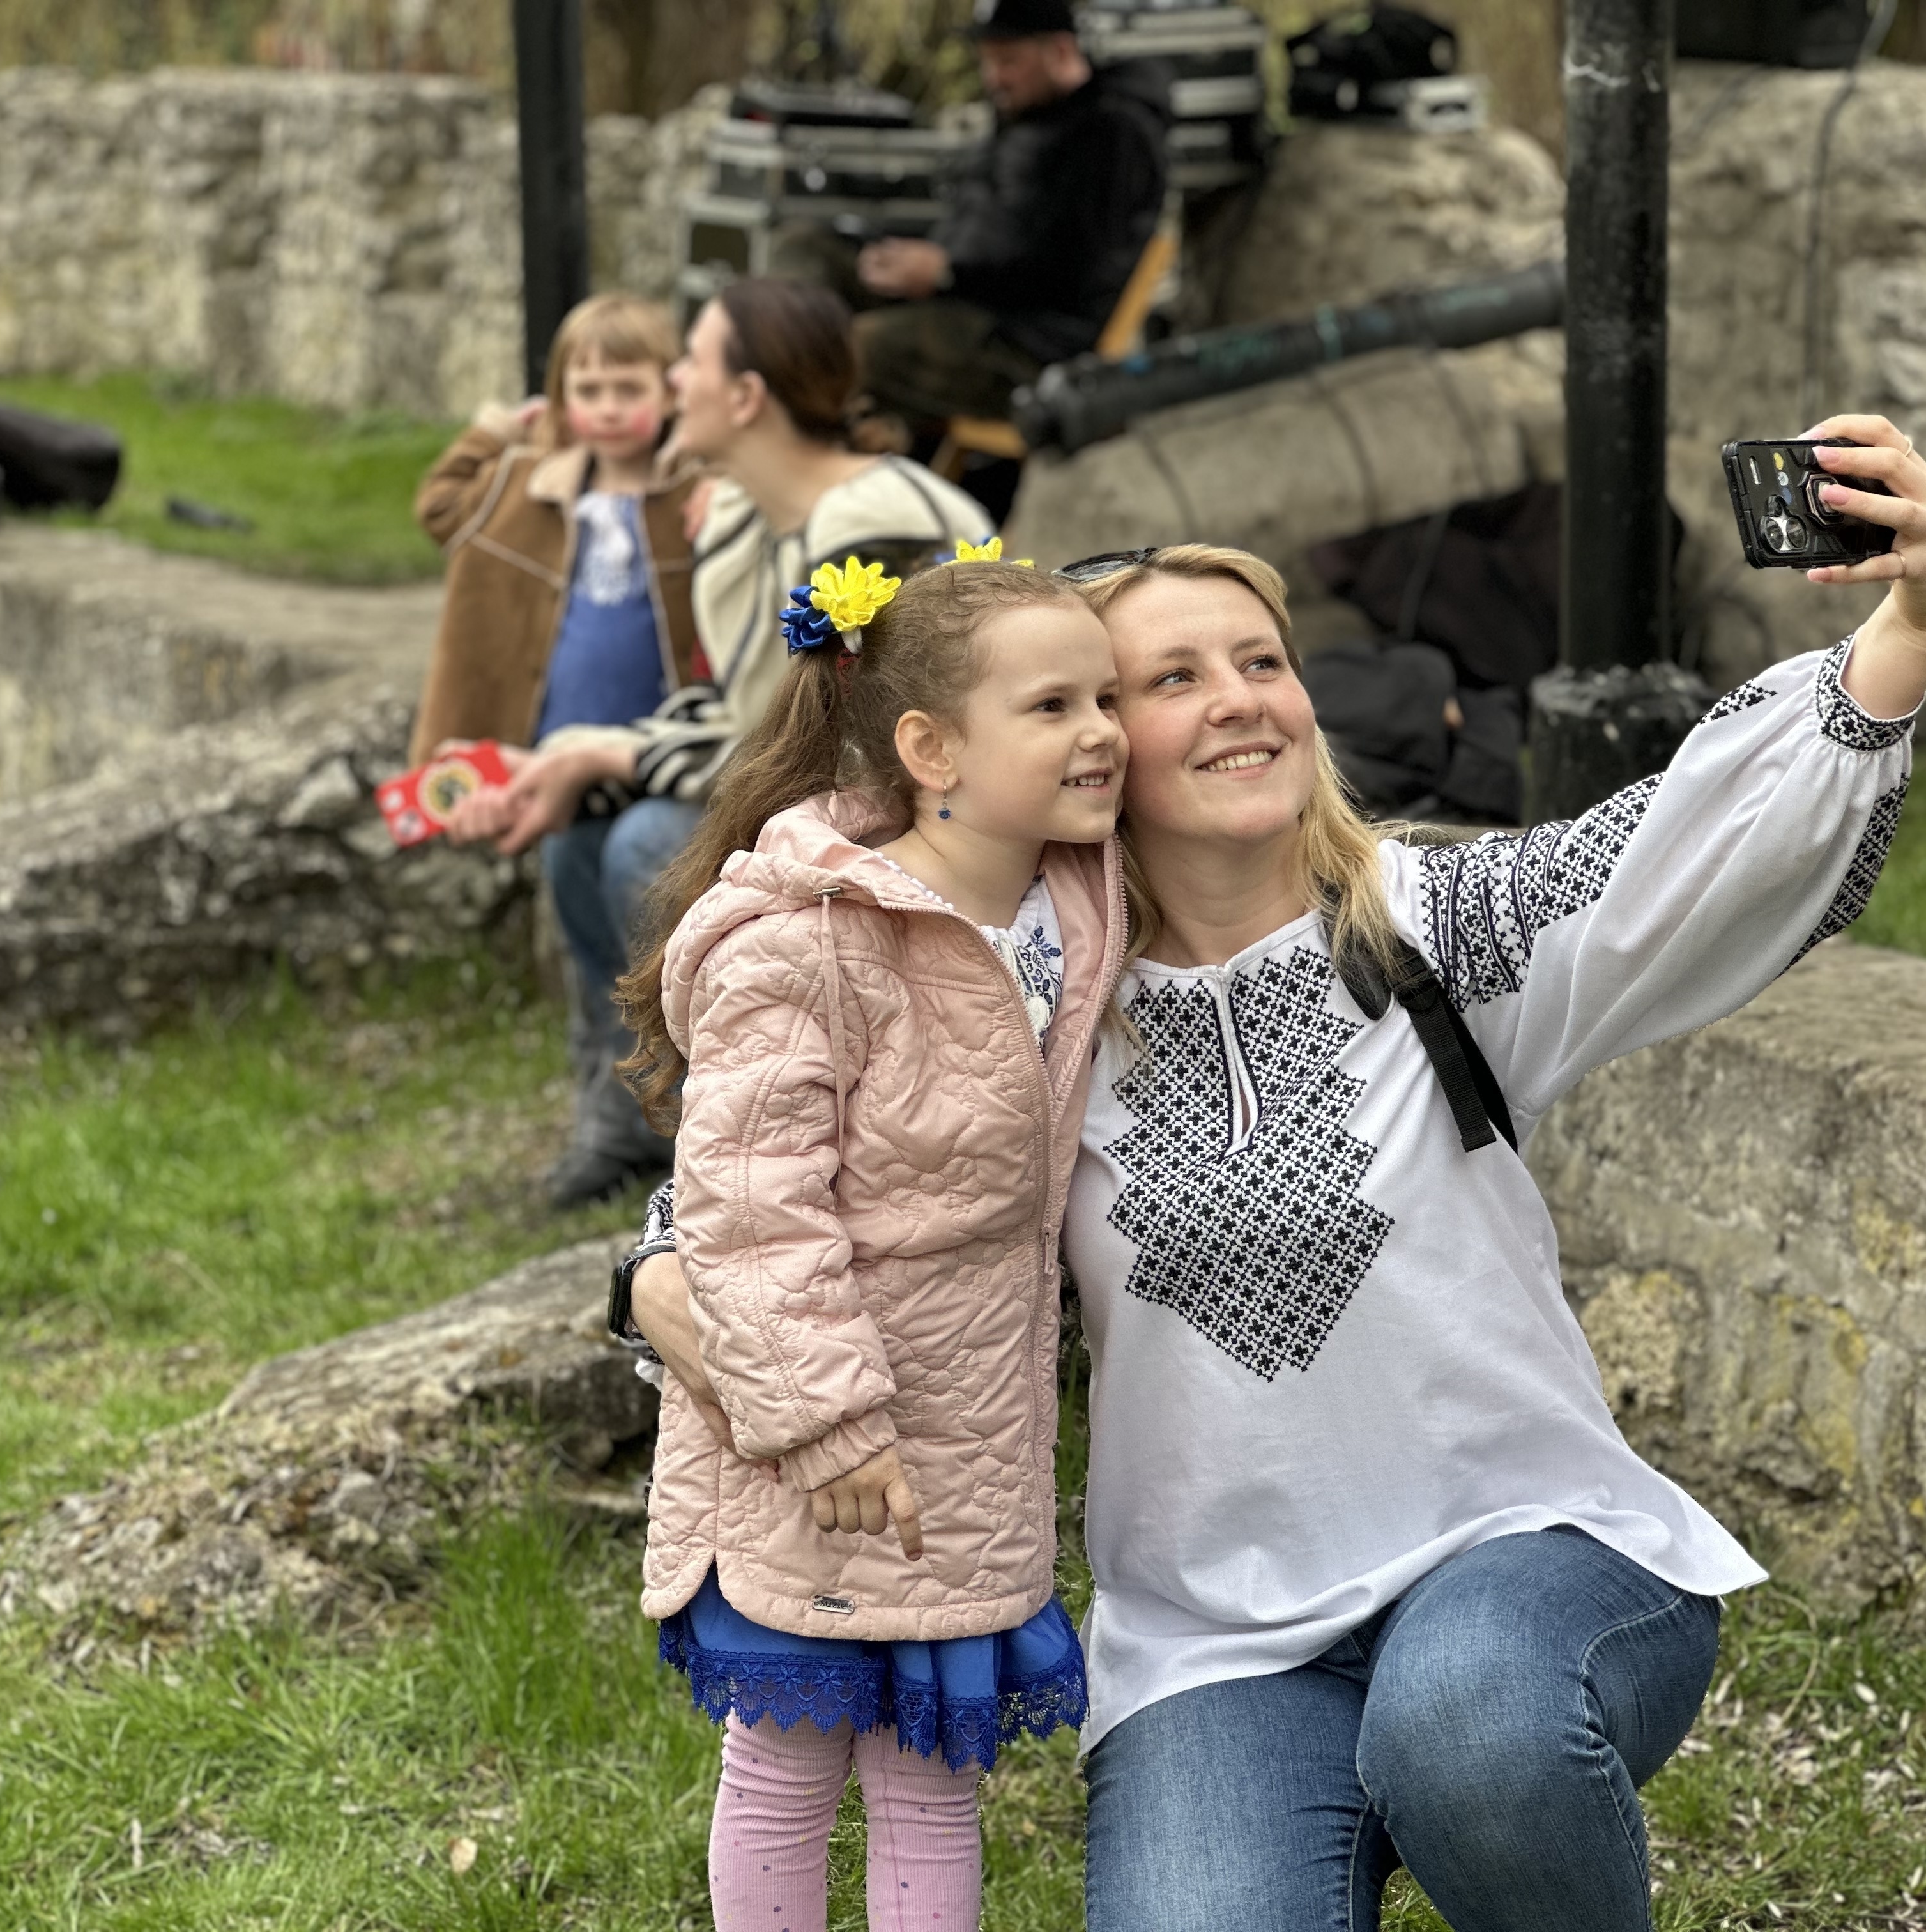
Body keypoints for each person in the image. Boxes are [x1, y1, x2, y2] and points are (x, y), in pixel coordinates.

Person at [630, 413, 1926, 1928]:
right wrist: (662, 1279)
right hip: (1215, 1645)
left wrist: (1908, 628)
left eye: (1263, 660)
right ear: (1081, 746)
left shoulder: (1436, 925)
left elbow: (1683, 842)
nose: (1238, 699)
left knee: (1471, 1734)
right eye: (1167, 681)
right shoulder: (1028, 998)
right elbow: (768, 1190)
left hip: (1527, 1552)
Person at [613, 549, 1129, 1932]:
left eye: (1107, 699)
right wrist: (825, 1419)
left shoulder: (1076, 900)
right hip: (819, 1435)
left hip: (973, 1437)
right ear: (930, 749)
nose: (1102, 732)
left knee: (930, 1781)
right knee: (787, 1765)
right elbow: (749, 1204)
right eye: (1053, 706)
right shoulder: (810, 943)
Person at [441, 277, 991, 1207]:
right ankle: (630, 1111)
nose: (672, 381)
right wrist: (573, 757)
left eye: (689, 362)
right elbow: (742, 709)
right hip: (798, 793)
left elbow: (831, 751)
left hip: (913, 820)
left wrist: (606, 756)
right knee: (580, 838)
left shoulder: (880, 525)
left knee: (649, 845)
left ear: (744, 397)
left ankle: (747, 1128)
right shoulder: (746, 514)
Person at [409, 291, 702, 1206]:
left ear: (672, 390)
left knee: (656, 917)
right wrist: (494, 432)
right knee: (587, 935)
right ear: (560, 394)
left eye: (629, 388)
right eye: (589, 389)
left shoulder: (692, 491)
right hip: (557, 767)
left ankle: (693, 1114)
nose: (608, 409)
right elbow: (438, 507)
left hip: (662, 757)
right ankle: (612, 1119)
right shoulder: (533, 485)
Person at [783, 0, 1168, 431]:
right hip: (959, 299)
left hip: (1027, 341)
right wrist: (905, 256)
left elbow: (1066, 274)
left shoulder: (1112, 134)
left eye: (1009, 62)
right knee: (806, 251)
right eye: (987, 62)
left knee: (858, 348)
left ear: (1060, 52)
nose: (993, 78)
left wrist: (949, 275)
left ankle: (802, 446)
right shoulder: (1019, 117)